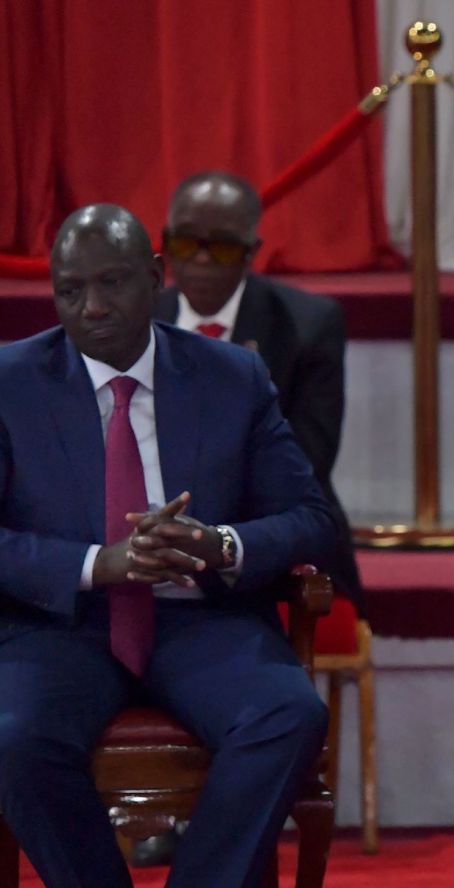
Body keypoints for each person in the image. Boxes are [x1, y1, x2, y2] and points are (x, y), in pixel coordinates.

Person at [0, 204, 338, 888]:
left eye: (113, 283)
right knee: (11, 736)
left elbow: (310, 517)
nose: (92, 307)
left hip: (200, 617)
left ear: (157, 277)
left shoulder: (232, 376)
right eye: (70, 291)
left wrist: (220, 544)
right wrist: (101, 563)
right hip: (66, 626)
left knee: (289, 714)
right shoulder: (10, 382)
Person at [155, 170, 364, 612]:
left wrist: (215, 538)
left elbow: (309, 462)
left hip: (268, 544)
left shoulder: (307, 325)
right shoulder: (138, 322)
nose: (202, 260)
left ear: (252, 252)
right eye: (186, 243)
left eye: (223, 246)